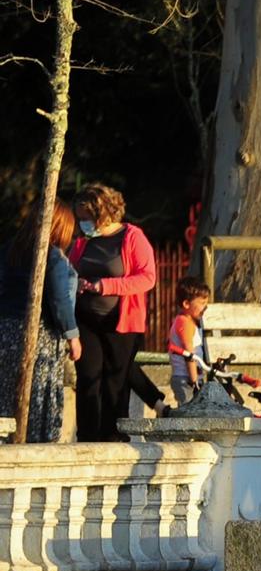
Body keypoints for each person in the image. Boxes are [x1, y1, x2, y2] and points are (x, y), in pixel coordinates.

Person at [69, 183, 161, 442]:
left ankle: (112, 438)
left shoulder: (132, 237)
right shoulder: (82, 242)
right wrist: (75, 284)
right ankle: (87, 438)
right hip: (86, 319)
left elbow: (147, 278)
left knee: (114, 383)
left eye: (86, 218)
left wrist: (105, 286)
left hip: (120, 323)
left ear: (102, 213)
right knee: (88, 377)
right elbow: (70, 269)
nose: (82, 224)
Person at [0, 196, 82, 443]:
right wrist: (73, 336)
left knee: (6, 398)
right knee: (37, 399)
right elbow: (59, 300)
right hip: (39, 336)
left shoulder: (8, 250)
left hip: (6, 333)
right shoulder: (52, 256)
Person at [167, 279, 212, 407]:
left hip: (191, 376)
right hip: (185, 378)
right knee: (187, 411)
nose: (206, 307)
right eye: (202, 303)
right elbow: (188, 353)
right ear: (186, 304)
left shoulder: (190, 321)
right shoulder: (185, 323)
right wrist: (194, 380)